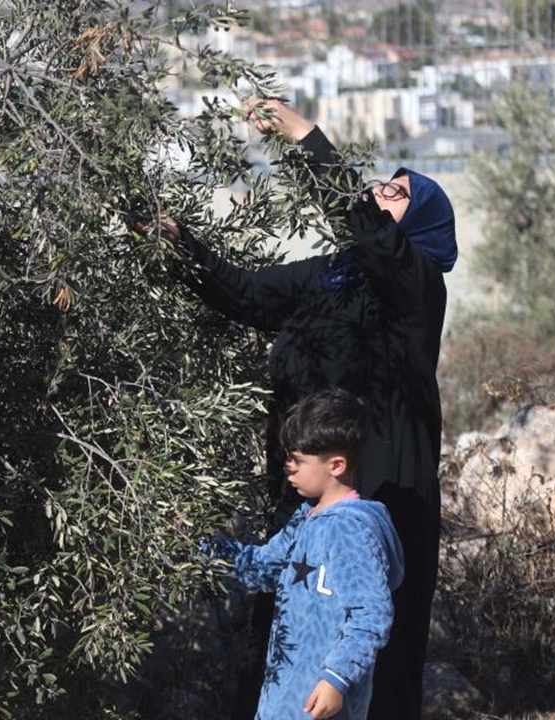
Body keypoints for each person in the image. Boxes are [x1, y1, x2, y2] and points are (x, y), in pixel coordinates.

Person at [158, 100, 456, 719]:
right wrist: (176, 241)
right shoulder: (331, 275)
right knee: (285, 630)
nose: (381, 190)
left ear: (419, 224)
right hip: (307, 490)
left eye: (397, 193)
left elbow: (368, 228)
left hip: (382, 497)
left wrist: (304, 137)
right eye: (384, 183)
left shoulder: (417, 285)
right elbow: (242, 292)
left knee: (376, 650)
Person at [204, 388, 404, 720]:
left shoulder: (350, 530)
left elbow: (371, 616)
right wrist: (204, 546)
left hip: (320, 705)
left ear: (336, 465)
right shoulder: (306, 516)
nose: (288, 468)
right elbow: (264, 569)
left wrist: (336, 680)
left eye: (297, 460)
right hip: (284, 697)